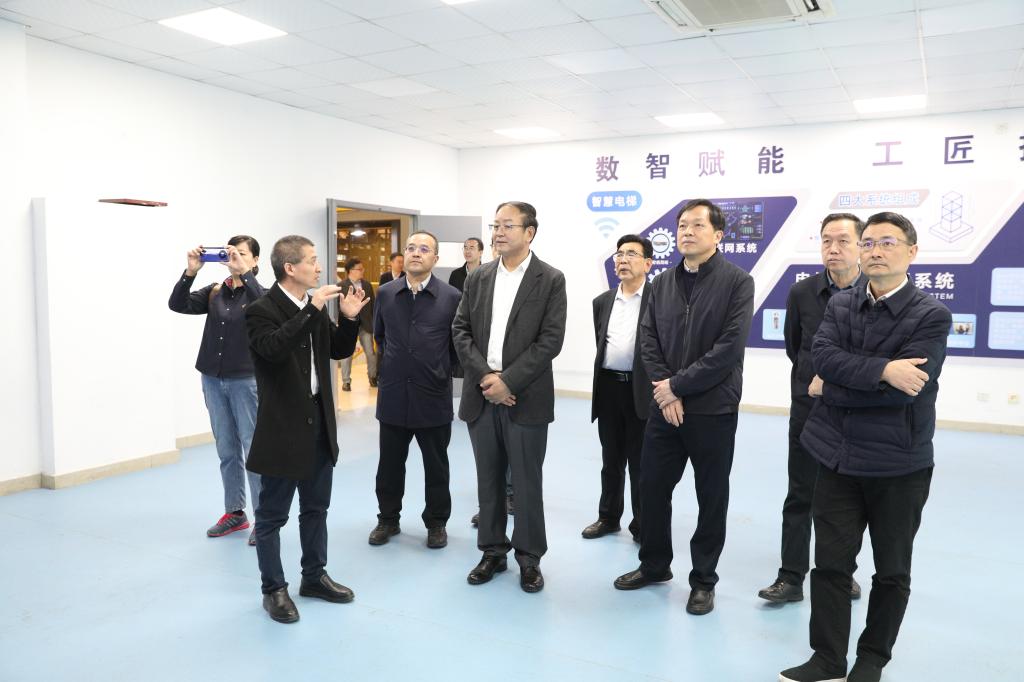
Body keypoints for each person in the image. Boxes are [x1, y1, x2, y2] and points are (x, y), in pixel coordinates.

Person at [779, 212, 951, 682]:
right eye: (870, 242)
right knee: (831, 565)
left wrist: (835, 386)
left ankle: (872, 658)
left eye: (887, 243)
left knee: (891, 570)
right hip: (836, 456)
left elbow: (905, 391)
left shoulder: (931, 315)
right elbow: (821, 357)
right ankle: (827, 658)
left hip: (899, 464)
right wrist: (883, 370)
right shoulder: (841, 304)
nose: (876, 251)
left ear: (912, 252)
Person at [613, 199, 754, 617]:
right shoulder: (661, 283)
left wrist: (676, 387)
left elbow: (728, 349)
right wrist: (666, 391)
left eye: (697, 225)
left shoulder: (737, 282)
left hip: (713, 408)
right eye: (682, 226)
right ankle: (654, 565)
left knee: (711, 495)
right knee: (652, 488)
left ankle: (703, 580)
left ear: (718, 235)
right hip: (665, 408)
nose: (687, 232)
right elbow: (649, 340)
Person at [245, 235, 369, 624]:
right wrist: (312, 310)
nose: (319, 267)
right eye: (312, 261)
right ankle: (273, 589)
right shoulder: (261, 310)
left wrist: (349, 318)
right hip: (282, 428)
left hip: (319, 423)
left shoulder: (311, 307)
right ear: (290, 268)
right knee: (271, 517)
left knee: (316, 508)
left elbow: (338, 350)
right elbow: (273, 349)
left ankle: (314, 576)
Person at [453, 201, 566, 593]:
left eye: (507, 226)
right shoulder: (479, 277)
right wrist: (487, 378)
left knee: (526, 483)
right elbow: (460, 330)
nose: (498, 232)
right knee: (488, 482)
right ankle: (492, 552)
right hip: (482, 395)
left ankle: (529, 558)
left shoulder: (550, 279)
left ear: (529, 232)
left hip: (526, 397)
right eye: (495, 225)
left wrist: (509, 382)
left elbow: (551, 340)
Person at [759, 214, 867, 604]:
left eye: (843, 241)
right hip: (809, 410)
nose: (833, 249)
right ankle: (790, 577)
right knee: (800, 494)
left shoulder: (874, 293)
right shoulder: (802, 293)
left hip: (857, 414)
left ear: (861, 246)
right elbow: (795, 347)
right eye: (826, 241)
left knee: (848, 502)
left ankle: (841, 573)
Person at [368, 231, 462, 549]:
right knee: (389, 466)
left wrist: (438, 371)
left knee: (436, 467)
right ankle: (387, 519)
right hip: (394, 395)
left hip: (432, 396)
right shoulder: (386, 294)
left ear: (435, 258)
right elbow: (380, 337)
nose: (416, 253)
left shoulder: (451, 297)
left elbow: (456, 346)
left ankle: (436, 523)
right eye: (410, 248)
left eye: (424, 249)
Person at [168, 236, 265, 545]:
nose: (235, 257)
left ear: (255, 261)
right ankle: (235, 512)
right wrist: (191, 271)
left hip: (246, 381)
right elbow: (177, 304)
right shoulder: (214, 292)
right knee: (227, 448)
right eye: (230, 252)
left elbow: (267, 309)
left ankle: (264, 519)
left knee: (253, 449)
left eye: (243, 254)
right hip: (212, 378)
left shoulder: (262, 293)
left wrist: (245, 275)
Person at [582, 234, 653, 543]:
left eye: (631, 254)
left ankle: (643, 522)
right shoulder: (603, 302)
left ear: (648, 264)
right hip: (609, 388)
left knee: (641, 463)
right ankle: (608, 517)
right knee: (611, 459)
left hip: (641, 391)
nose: (623, 260)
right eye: (619, 254)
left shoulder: (658, 300)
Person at [338, 258, 377, 391]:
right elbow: (338, 306)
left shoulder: (367, 285)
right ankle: (346, 381)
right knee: (347, 354)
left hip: (366, 325)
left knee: (370, 353)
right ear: (350, 271)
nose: (362, 271)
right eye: (359, 269)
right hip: (348, 325)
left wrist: (374, 322)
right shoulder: (341, 286)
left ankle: (373, 377)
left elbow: (373, 305)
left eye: (362, 268)